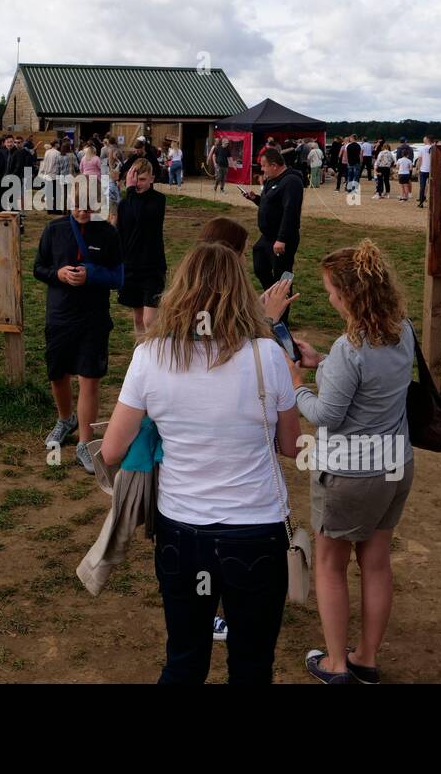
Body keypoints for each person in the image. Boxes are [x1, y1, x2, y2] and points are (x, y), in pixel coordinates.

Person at [101, 241, 300, 684]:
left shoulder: (151, 357)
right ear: (241, 291)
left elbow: (111, 450)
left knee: (184, 660)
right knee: (252, 666)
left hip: (182, 532)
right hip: (257, 531)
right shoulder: (268, 355)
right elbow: (290, 446)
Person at [270, 240, 415, 684]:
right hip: (395, 463)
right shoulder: (400, 328)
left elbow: (325, 415)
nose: (329, 297)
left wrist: (297, 382)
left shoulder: (349, 348)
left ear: (350, 294)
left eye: (332, 290)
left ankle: (335, 663)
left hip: (350, 473)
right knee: (376, 562)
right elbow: (364, 382)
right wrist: (323, 363)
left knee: (331, 565)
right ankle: (366, 658)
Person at [36, 176, 123, 473]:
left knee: (89, 377)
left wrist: (92, 274)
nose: (82, 211)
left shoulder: (108, 233)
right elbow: (39, 267)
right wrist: (58, 275)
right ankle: (65, 419)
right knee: (58, 373)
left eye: (87, 206)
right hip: (59, 315)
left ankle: (86, 441)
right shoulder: (54, 229)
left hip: (93, 317)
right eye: (76, 205)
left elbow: (118, 277)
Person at [243, 147, 303, 297]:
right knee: (259, 266)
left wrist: (282, 239)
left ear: (274, 165)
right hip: (267, 236)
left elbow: (290, 212)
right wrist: (255, 198)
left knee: (282, 275)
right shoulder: (272, 180)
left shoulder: (291, 181)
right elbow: (269, 204)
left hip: (282, 238)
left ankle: (282, 315)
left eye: (264, 166)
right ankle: (272, 296)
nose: (262, 169)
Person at [115, 158, 166, 334]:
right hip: (130, 267)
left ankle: (154, 356)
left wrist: (130, 192)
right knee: (138, 318)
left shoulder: (158, 200)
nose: (138, 184)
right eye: (135, 179)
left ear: (152, 178)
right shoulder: (124, 204)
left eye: (143, 179)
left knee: (150, 320)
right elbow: (120, 232)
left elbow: (141, 217)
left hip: (152, 267)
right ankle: (140, 354)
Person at [415, 135, 435, 208]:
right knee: (433, 187)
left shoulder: (422, 148)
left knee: (422, 187)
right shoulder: (434, 148)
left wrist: (417, 168)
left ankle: (421, 203)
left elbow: (420, 160)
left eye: (424, 138)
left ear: (427, 139)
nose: (423, 139)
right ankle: (433, 203)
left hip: (423, 170)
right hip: (432, 170)